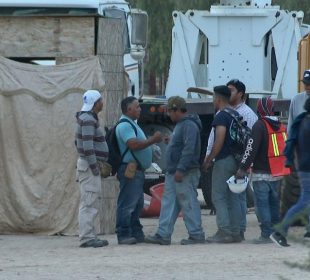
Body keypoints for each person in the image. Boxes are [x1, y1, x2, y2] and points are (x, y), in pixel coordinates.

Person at [145, 96, 205, 245]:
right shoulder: (181, 124)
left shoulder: (189, 125)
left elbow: (189, 149)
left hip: (184, 172)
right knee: (169, 202)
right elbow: (182, 144)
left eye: (170, 111)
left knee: (188, 201)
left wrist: (181, 169)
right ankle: (163, 234)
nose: (168, 115)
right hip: (175, 172)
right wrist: (171, 141)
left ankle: (196, 234)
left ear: (177, 109)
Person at [236, 97, 290, 244]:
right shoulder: (281, 125)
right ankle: (274, 233)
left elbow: (251, 148)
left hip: (261, 173)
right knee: (274, 204)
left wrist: (242, 167)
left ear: (259, 110)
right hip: (278, 172)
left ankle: (266, 234)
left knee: (262, 205)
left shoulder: (260, 126)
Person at [115, 96, 162, 245]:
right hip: (130, 170)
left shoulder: (131, 124)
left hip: (136, 170)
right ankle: (123, 234)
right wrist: (152, 140)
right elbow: (133, 144)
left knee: (137, 203)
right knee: (127, 204)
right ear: (128, 109)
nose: (140, 109)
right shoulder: (125, 126)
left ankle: (136, 232)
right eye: (137, 107)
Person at [204, 85, 242, 243]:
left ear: (218, 99)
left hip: (224, 159)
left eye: (213, 98)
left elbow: (219, 140)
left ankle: (224, 231)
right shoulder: (235, 113)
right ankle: (235, 231)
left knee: (218, 196)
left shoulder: (221, 116)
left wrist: (209, 159)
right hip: (236, 159)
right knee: (232, 196)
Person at [270, 98, 310, 247]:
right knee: (304, 200)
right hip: (308, 167)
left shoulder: (303, 121)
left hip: (304, 166)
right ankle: (280, 231)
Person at [75, 90, 109, 248]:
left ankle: (89, 235)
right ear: (96, 103)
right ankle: (87, 237)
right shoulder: (88, 120)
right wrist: (95, 167)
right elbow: (87, 146)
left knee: (89, 201)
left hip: (87, 166)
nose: (102, 103)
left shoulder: (86, 118)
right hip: (89, 167)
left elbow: (79, 144)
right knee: (89, 202)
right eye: (101, 100)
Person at [227, 79, 258, 240]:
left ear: (241, 94)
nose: (228, 93)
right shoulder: (224, 110)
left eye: (231, 90)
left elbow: (252, 142)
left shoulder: (247, 114)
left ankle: (239, 230)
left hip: (241, 162)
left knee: (238, 196)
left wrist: (246, 165)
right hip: (228, 159)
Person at [285, 69, 310, 239]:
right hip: (303, 156)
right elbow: (291, 129)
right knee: (305, 197)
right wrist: (291, 155)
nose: (307, 87)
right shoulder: (297, 99)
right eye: (305, 84)